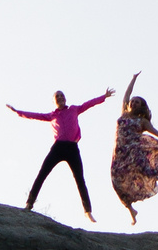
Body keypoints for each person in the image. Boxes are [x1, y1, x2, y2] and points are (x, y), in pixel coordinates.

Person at [9, 85, 112, 221]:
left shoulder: (74, 109)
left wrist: (103, 96)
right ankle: (29, 203)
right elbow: (35, 116)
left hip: (72, 148)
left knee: (80, 179)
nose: (60, 97)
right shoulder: (52, 115)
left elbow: (88, 104)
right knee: (42, 173)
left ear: (65, 98)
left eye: (61, 95)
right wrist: (18, 112)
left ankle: (87, 211)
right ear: (54, 101)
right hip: (58, 148)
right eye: (57, 96)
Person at [108, 71, 158, 226]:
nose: (133, 103)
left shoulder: (142, 121)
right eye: (133, 101)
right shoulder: (124, 114)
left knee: (146, 170)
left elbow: (157, 133)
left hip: (134, 149)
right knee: (116, 179)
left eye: (137, 102)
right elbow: (126, 94)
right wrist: (133, 79)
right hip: (119, 153)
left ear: (142, 107)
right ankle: (131, 210)